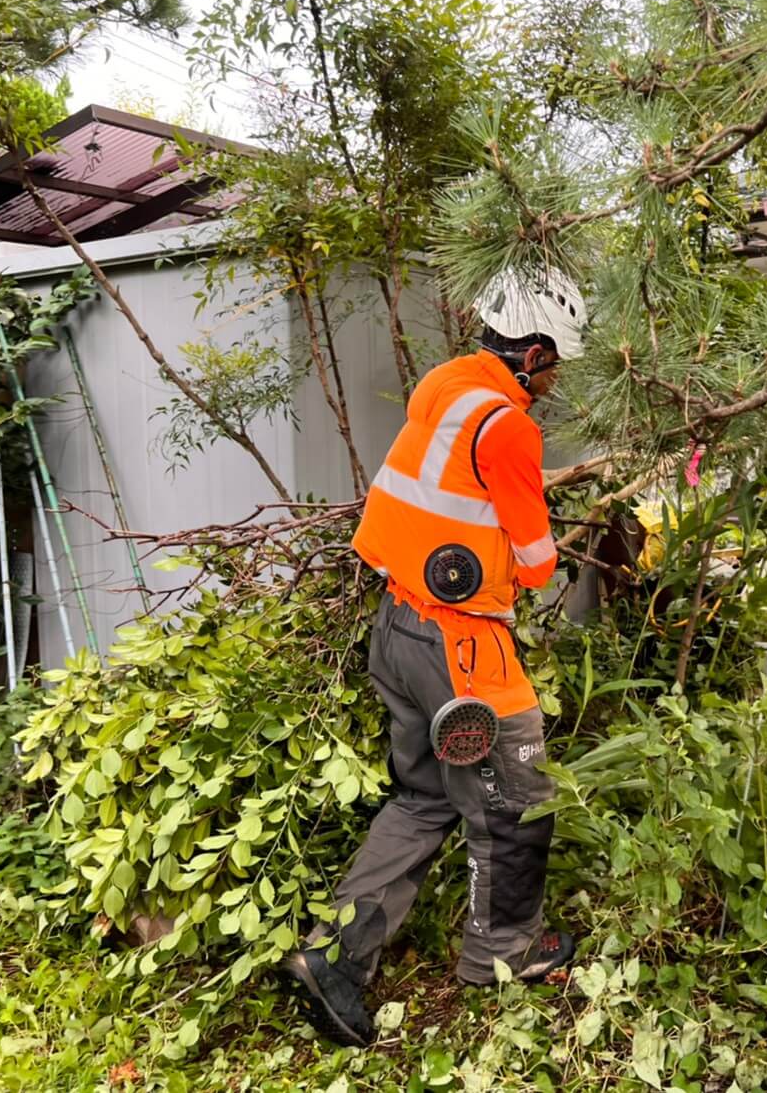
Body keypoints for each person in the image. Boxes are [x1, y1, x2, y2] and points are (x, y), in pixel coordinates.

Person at [285, 266, 586, 1047]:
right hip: (464, 652)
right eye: (555, 363)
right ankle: (504, 955)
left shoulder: (447, 386)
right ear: (531, 350)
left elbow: (452, 486)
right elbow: (538, 560)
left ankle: (335, 956)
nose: (555, 379)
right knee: (515, 805)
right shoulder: (512, 426)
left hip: (398, 629)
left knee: (423, 798)